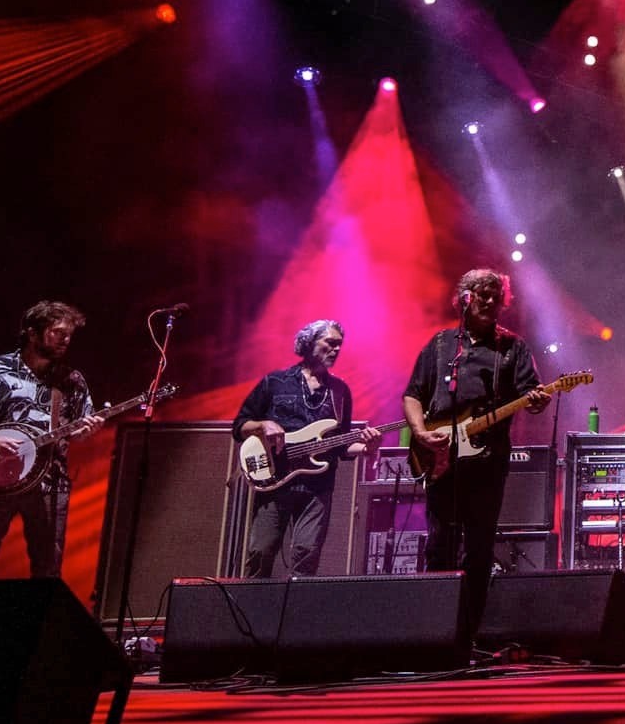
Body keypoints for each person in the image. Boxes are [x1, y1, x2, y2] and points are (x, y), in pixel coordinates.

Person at [403, 269, 546, 640]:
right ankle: (434, 631)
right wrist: (420, 433)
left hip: (487, 461)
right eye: (482, 293)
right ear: (464, 297)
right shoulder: (439, 345)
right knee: (439, 543)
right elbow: (413, 394)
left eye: (496, 295)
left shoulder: (513, 348)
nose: (489, 301)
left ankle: (470, 633)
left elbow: (530, 397)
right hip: (440, 457)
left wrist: (535, 402)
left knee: (479, 547)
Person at [0, 301, 103, 580]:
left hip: (48, 484)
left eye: (69, 334)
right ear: (32, 333)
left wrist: (86, 431)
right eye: (57, 332)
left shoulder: (71, 380)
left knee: (47, 571)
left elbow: (77, 431)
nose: (66, 339)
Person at [231, 320, 382, 577]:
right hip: (275, 481)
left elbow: (341, 445)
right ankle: (253, 613)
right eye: (330, 343)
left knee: (307, 553)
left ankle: (295, 615)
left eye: (339, 345)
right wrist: (263, 424)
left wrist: (367, 448)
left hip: (317, 486)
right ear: (310, 342)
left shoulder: (340, 391)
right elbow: (239, 426)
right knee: (261, 552)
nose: (336, 350)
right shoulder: (275, 382)